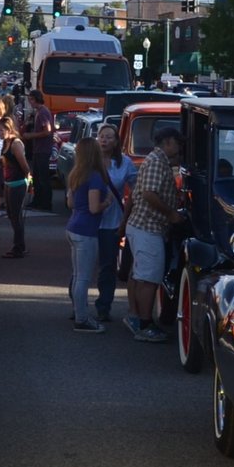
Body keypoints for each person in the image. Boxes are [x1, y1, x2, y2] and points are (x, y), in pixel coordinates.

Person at [125, 126, 183, 342]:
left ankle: (136, 317)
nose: (179, 149)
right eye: (177, 144)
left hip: (142, 225)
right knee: (149, 278)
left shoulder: (154, 160)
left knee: (139, 274)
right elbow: (149, 194)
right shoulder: (157, 162)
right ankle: (145, 324)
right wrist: (171, 213)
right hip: (148, 227)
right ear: (168, 142)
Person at [63, 139, 109, 331]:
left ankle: (77, 310)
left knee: (77, 274)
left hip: (73, 226)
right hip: (86, 230)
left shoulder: (75, 174)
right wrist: (107, 203)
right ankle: (82, 319)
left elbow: (70, 204)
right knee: (83, 278)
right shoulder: (95, 177)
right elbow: (93, 208)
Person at [93, 122, 135, 322]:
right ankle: (78, 306)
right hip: (88, 221)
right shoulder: (89, 160)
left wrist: (127, 218)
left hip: (112, 222)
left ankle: (104, 306)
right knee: (82, 266)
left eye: (109, 137)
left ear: (117, 141)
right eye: (102, 136)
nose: (104, 140)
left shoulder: (125, 163)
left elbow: (136, 189)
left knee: (108, 266)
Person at [0, 115, 30, 258]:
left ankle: (18, 247)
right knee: (12, 215)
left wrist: (30, 182)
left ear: (8, 129)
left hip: (18, 184)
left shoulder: (16, 144)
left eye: (0, 130)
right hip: (8, 183)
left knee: (16, 216)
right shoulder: (6, 142)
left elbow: (25, 166)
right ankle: (20, 245)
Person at [22, 89, 57, 212]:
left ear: (35, 99)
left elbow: (47, 131)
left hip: (42, 150)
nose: (29, 102)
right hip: (38, 149)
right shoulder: (39, 112)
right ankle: (37, 201)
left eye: (30, 99)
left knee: (42, 178)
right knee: (37, 177)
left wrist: (31, 135)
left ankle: (45, 203)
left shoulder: (43, 113)